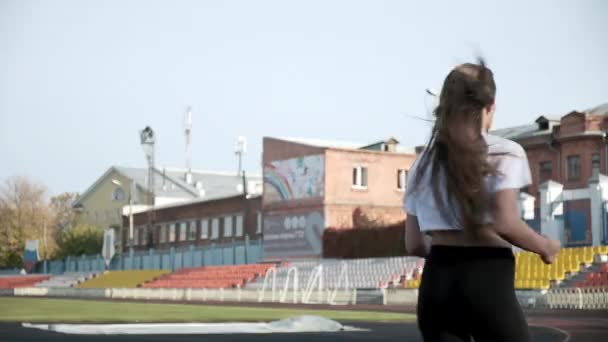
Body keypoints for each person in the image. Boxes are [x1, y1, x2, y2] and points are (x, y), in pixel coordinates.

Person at [403, 58, 561, 342]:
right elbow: (505, 222)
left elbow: (413, 243)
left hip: (437, 280)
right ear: (490, 107)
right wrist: (546, 246)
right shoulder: (505, 152)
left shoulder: (421, 164)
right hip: (486, 276)